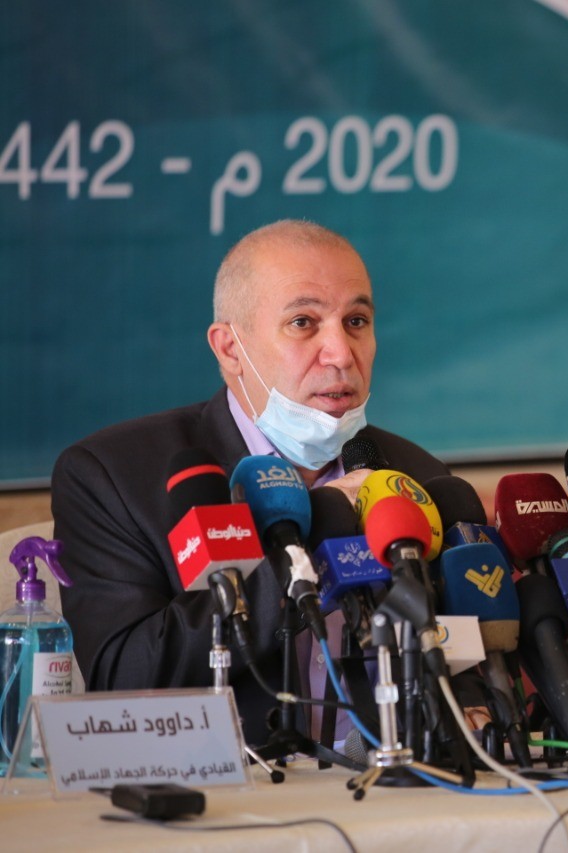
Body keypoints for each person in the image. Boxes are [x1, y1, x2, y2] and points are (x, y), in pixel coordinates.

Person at [51, 221, 448, 746]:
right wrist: (315, 534)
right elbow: (126, 676)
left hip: (393, 777)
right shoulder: (116, 475)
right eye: (303, 322)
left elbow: (463, 653)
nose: (340, 353)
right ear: (230, 349)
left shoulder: (418, 476)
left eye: (356, 321)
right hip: (229, 786)